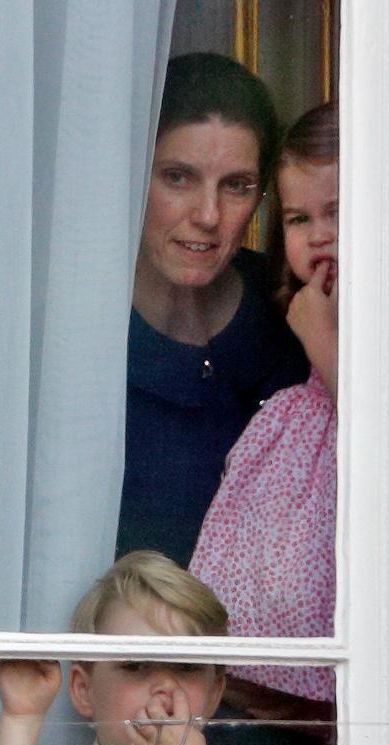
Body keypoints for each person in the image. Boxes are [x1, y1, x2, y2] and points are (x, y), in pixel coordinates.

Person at [190, 102, 339, 745]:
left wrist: (322, 342)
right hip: (269, 705)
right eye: (299, 218)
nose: (318, 238)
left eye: (337, 212)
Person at [116, 52, 309, 569]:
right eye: (178, 177)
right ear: (133, 174)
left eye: (236, 186)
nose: (208, 216)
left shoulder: (294, 308)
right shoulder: (77, 323)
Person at [0, 550, 255, 745]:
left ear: (214, 694)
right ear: (84, 691)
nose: (165, 685)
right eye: (135, 665)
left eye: (186, 666)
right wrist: (20, 718)